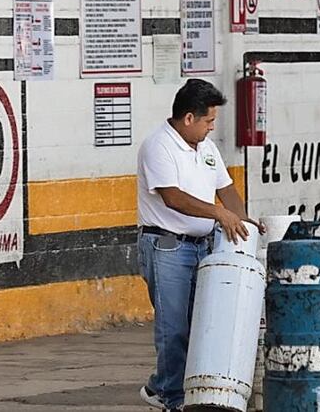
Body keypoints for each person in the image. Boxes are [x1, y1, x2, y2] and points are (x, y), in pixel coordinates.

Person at [136, 79, 258, 412]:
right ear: (188, 118)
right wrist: (219, 213)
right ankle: (171, 397)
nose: (211, 127)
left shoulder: (206, 149)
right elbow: (172, 198)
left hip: (204, 246)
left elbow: (227, 190)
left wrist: (244, 222)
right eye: (208, 121)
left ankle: (162, 386)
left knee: (201, 323)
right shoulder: (157, 146)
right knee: (174, 327)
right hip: (168, 247)